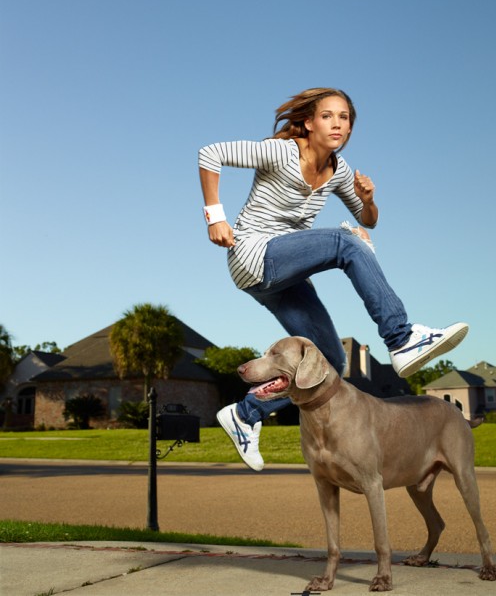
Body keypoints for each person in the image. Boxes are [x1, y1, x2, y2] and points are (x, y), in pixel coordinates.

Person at [198, 87, 468, 471]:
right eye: (328, 116)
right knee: (347, 243)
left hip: (282, 277)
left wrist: (368, 199)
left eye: (344, 118)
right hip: (253, 254)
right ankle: (401, 337)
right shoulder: (282, 152)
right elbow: (210, 154)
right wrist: (215, 215)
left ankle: (247, 413)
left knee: (329, 363)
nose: (337, 124)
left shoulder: (339, 171)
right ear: (308, 122)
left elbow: (368, 218)